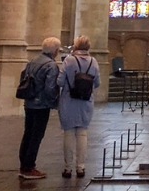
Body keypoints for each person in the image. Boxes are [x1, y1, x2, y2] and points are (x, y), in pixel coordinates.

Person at [58, 35, 101, 179]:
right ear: (88, 47)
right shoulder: (93, 62)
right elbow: (97, 83)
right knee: (82, 133)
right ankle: (81, 167)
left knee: (69, 133)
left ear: (75, 46)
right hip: (85, 102)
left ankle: (67, 168)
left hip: (68, 101)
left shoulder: (69, 60)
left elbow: (60, 81)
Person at [18, 36, 61, 180]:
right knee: (36, 136)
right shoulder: (51, 65)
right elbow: (50, 88)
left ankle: (24, 165)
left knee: (28, 134)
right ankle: (29, 167)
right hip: (41, 105)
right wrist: (55, 102)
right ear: (55, 51)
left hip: (29, 103)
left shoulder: (32, 61)